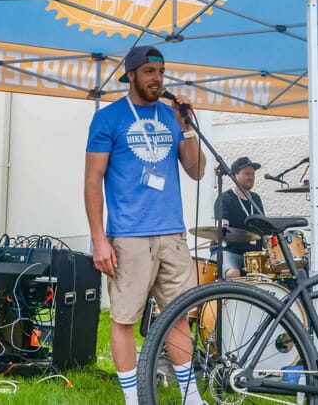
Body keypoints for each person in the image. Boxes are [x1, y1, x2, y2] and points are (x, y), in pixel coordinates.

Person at [84, 45, 207, 405]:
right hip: (128, 236)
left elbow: (197, 170)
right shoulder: (108, 119)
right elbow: (93, 181)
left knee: (178, 316)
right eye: (151, 72)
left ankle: (190, 397)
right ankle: (132, 399)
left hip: (171, 232)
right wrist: (99, 240)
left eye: (162, 72)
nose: (158, 79)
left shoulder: (172, 116)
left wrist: (186, 127)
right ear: (132, 74)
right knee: (123, 319)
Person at [210, 156, 265, 278]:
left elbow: (264, 229)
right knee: (233, 273)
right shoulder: (225, 199)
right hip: (229, 251)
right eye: (246, 173)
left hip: (252, 254)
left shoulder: (256, 199)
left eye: (252, 174)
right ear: (235, 175)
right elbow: (222, 230)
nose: (251, 177)